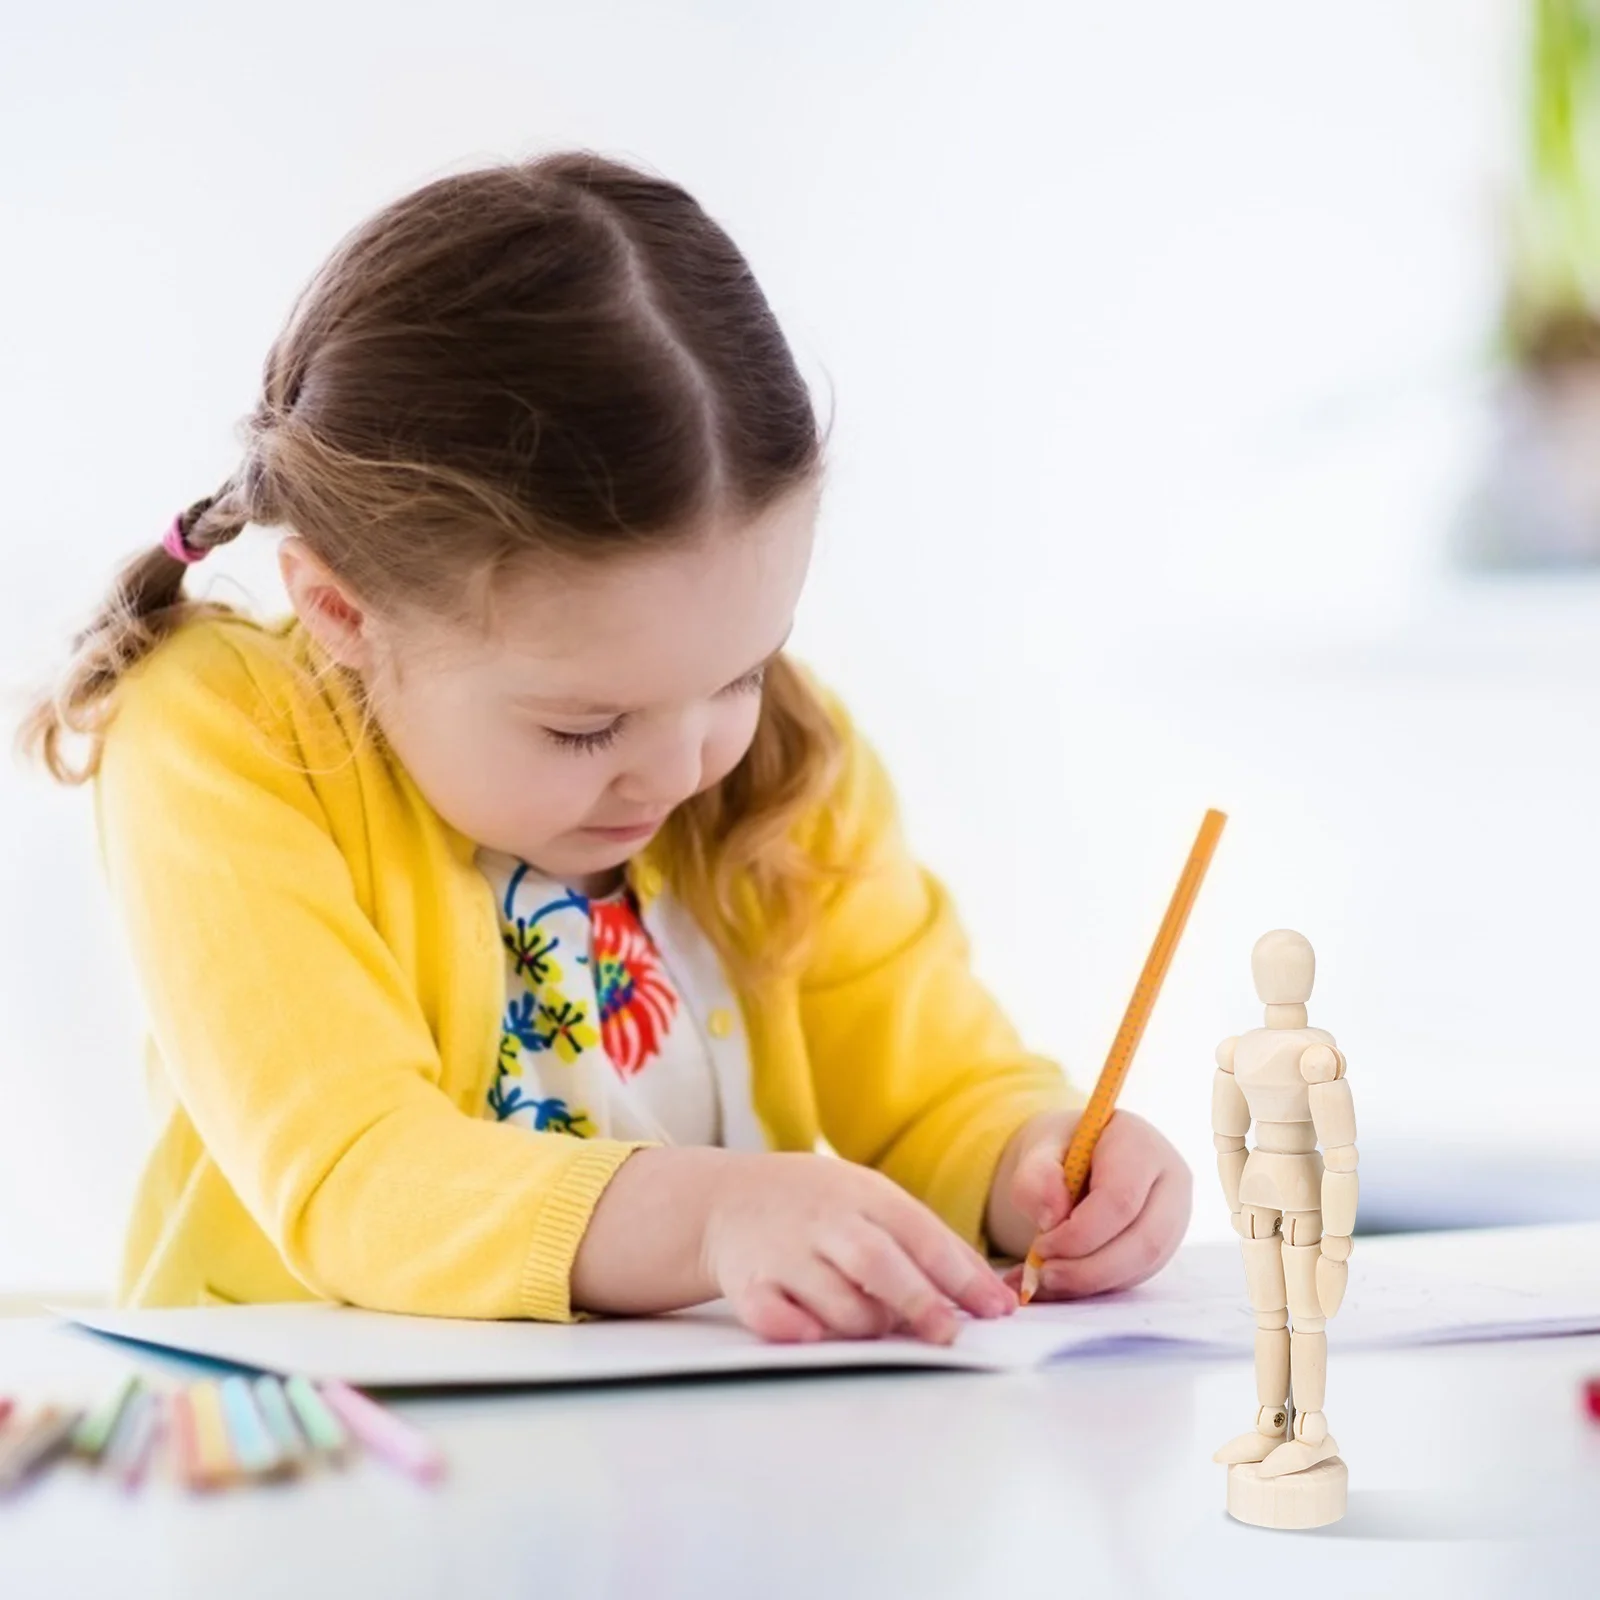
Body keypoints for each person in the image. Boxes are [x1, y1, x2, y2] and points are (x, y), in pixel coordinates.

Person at [21, 153, 1191, 1343]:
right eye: (585, 726)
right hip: (333, 1458)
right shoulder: (229, 732)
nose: (683, 768)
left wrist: (1034, 1160)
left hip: (701, 1472)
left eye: (742, 670)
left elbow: (934, 1084)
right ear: (344, 616)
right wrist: (713, 1217)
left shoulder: (780, 759)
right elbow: (356, 1168)